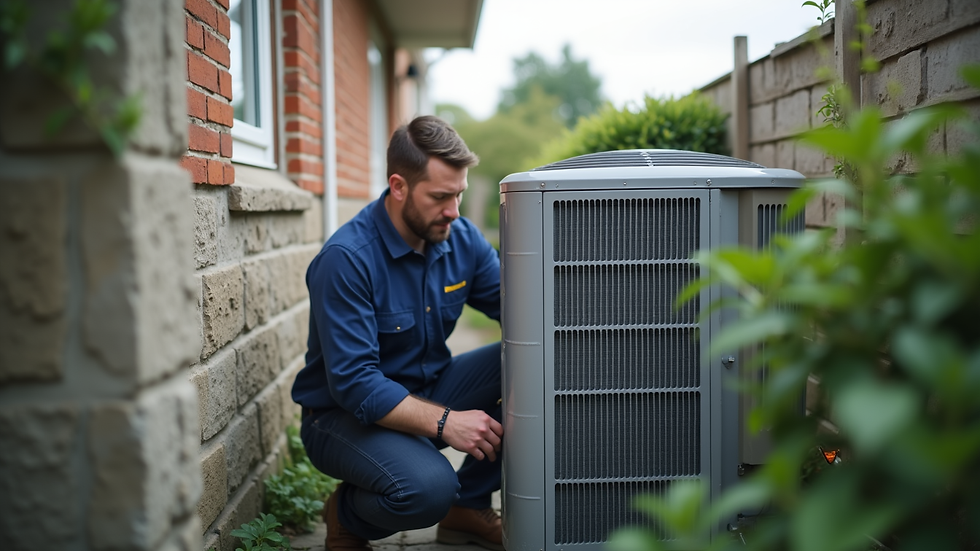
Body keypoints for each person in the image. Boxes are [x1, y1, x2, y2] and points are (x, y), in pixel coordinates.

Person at [291, 115, 504, 551]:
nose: (454, 211)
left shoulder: (460, 238)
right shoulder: (346, 260)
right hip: (341, 418)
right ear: (399, 186)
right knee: (428, 489)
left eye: (459, 195)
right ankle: (346, 514)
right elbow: (356, 385)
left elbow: (522, 312)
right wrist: (446, 424)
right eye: (441, 197)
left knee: (533, 361)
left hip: (429, 387)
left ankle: (470, 504)